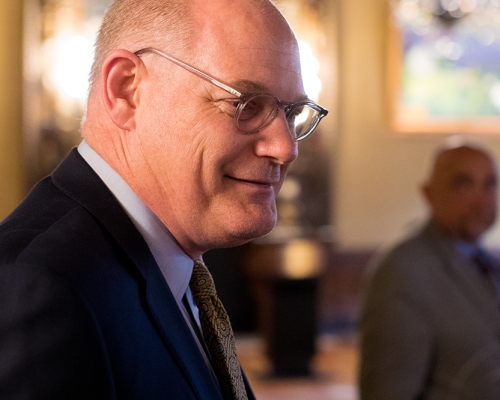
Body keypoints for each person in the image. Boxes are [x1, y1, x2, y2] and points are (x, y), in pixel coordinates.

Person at [0, 0, 328, 399]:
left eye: (291, 113)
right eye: (246, 104)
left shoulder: (174, 267)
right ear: (126, 90)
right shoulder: (41, 289)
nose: (285, 147)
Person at [359, 145, 500, 400]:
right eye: (464, 184)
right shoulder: (403, 271)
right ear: (429, 193)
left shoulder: (485, 260)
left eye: (489, 184)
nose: (482, 201)